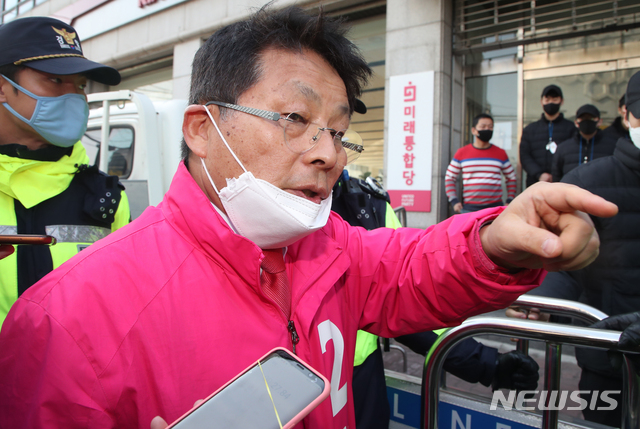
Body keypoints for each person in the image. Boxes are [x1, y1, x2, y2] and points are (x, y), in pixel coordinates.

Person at [0, 7, 617, 429]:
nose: (327, 153)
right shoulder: (66, 319)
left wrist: (497, 243)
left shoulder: (328, 247)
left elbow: (409, 267)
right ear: (202, 130)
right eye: (295, 119)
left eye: (339, 131)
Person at [336, 170, 539, 429]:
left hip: (361, 378)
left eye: (339, 136)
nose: (328, 153)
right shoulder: (274, 217)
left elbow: (403, 291)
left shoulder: (367, 203)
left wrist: (485, 363)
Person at [508, 70, 640, 427]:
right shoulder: (588, 183)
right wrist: (541, 301)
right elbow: (563, 262)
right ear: (625, 115)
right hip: (610, 356)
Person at [0, 17, 130, 325]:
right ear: (3, 88)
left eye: (81, 85)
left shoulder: (106, 199)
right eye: (55, 80)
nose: (74, 97)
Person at [445, 113, 516, 213]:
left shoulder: (500, 153)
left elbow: (511, 178)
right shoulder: (462, 152)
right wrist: (454, 200)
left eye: (490, 127)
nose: (487, 129)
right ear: (473, 130)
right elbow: (449, 177)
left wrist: (510, 199)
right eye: (483, 126)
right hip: (469, 210)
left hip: (495, 209)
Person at [520, 84, 577, 187]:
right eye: (547, 99)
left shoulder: (571, 128)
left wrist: (557, 175)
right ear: (541, 102)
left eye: (555, 99)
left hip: (563, 183)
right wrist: (539, 174)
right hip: (535, 183)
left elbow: (573, 155)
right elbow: (524, 156)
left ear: (561, 101)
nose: (551, 102)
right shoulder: (530, 129)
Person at [551, 104, 616, 182]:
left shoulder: (612, 147)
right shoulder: (564, 148)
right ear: (576, 122)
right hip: (572, 193)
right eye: (583, 118)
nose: (587, 121)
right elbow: (556, 176)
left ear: (599, 121)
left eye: (591, 118)